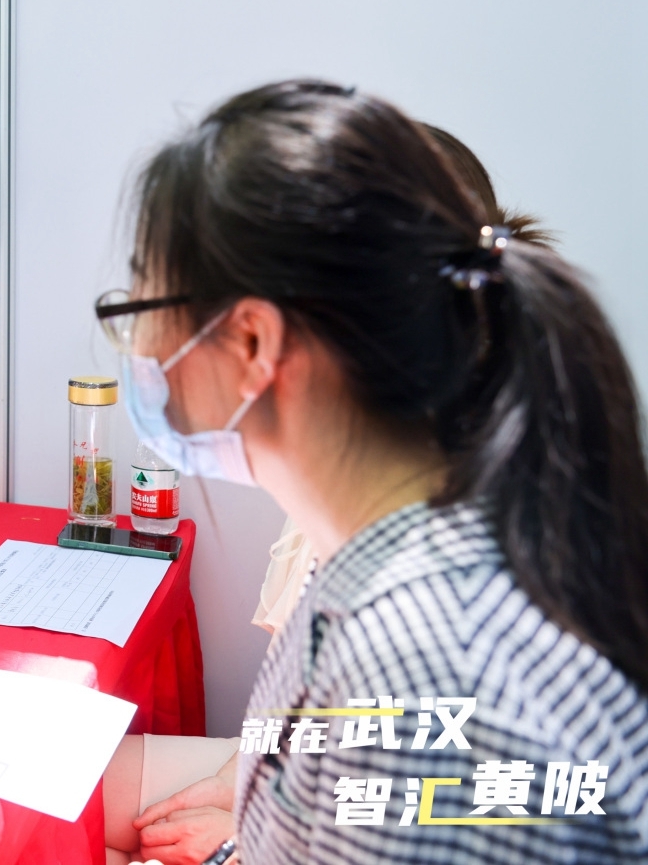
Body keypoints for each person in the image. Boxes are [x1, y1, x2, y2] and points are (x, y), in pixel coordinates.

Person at [97, 81, 648, 863]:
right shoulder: (384, 551)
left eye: (146, 305)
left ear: (253, 342)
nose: (141, 349)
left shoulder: (433, 667)